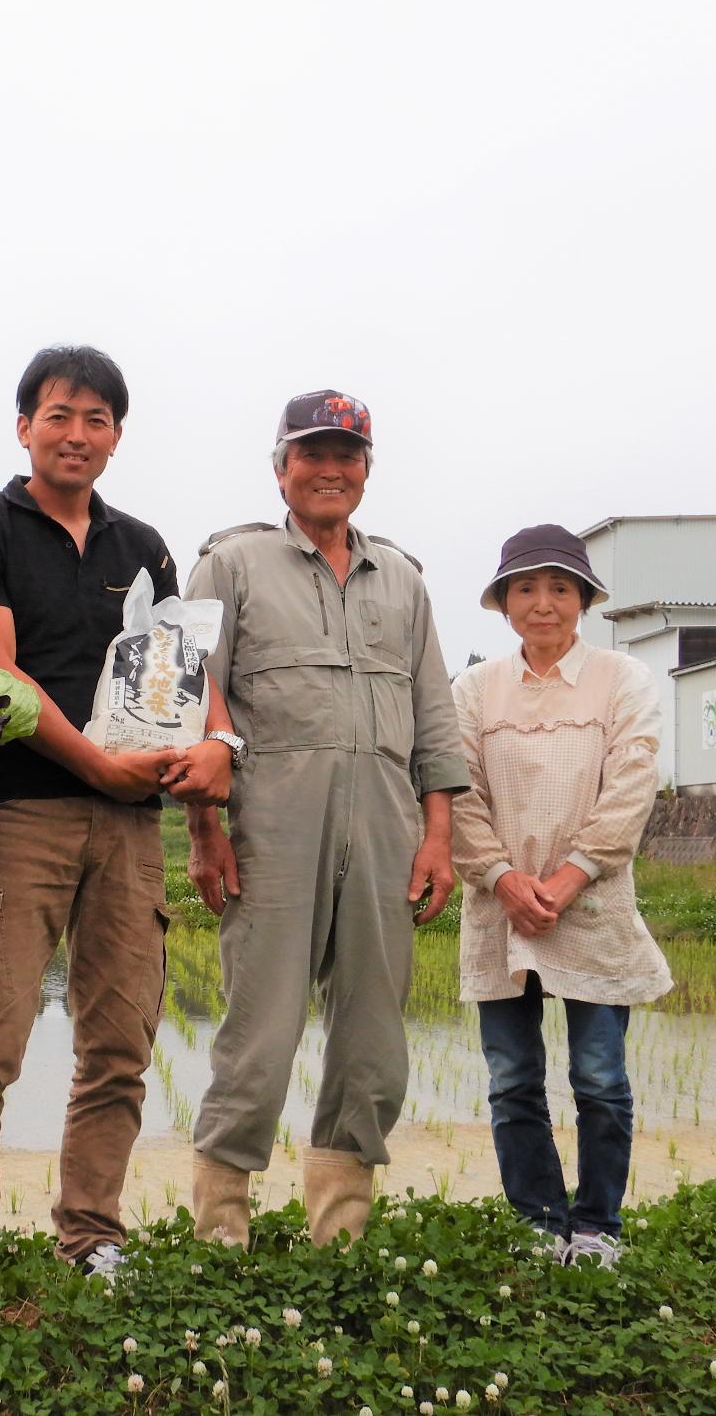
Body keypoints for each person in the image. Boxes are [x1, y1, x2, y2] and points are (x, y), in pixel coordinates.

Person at [0, 345, 234, 1283]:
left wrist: (221, 745)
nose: (77, 433)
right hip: (23, 815)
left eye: (96, 419)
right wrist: (99, 764)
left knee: (119, 1046)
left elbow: (184, 666)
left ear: (116, 437)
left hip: (134, 826)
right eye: (59, 415)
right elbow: (0, 678)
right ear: (25, 427)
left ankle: (93, 1233)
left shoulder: (142, 545)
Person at [182, 390, 469, 1250]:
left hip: (386, 833)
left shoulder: (406, 581)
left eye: (348, 454)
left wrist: (439, 837)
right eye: (312, 453)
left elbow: (434, 720)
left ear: (367, 472)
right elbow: (195, 697)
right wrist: (206, 832)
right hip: (270, 832)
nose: (330, 469)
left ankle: (339, 1233)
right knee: (257, 1037)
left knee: (375, 1041)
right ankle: (219, 1231)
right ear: (281, 469)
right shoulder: (230, 566)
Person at [449, 523, 672, 1269]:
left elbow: (631, 791)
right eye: (526, 589)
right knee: (513, 1079)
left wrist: (570, 877)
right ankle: (539, 1222)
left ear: (583, 600)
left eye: (559, 589)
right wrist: (503, 879)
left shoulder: (623, 680)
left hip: (594, 907)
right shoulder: (476, 689)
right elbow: (460, 795)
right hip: (497, 906)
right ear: (504, 603)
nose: (543, 604)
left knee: (599, 1078)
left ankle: (598, 1226)